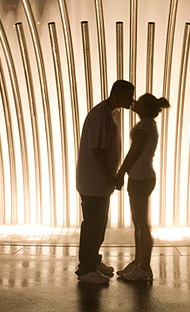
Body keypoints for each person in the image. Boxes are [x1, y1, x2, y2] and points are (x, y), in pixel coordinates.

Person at [76, 79, 135, 284]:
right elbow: (98, 152)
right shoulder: (102, 116)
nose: (132, 101)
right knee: (92, 225)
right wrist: (112, 177)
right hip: (94, 182)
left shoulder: (111, 112)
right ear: (117, 96)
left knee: (98, 225)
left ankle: (93, 261)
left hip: (99, 183)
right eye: (129, 97)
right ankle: (85, 270)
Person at [115, 93, 170, 282]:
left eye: (138, 101)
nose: (134, 103)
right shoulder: (149, 125)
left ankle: (145, 268)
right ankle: (138, 262)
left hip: (140, 178)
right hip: (143, 177)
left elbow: (135, 152)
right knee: (138, 222)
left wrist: (121, 172)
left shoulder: (145, 126)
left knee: (142, 224)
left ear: (145, 108)